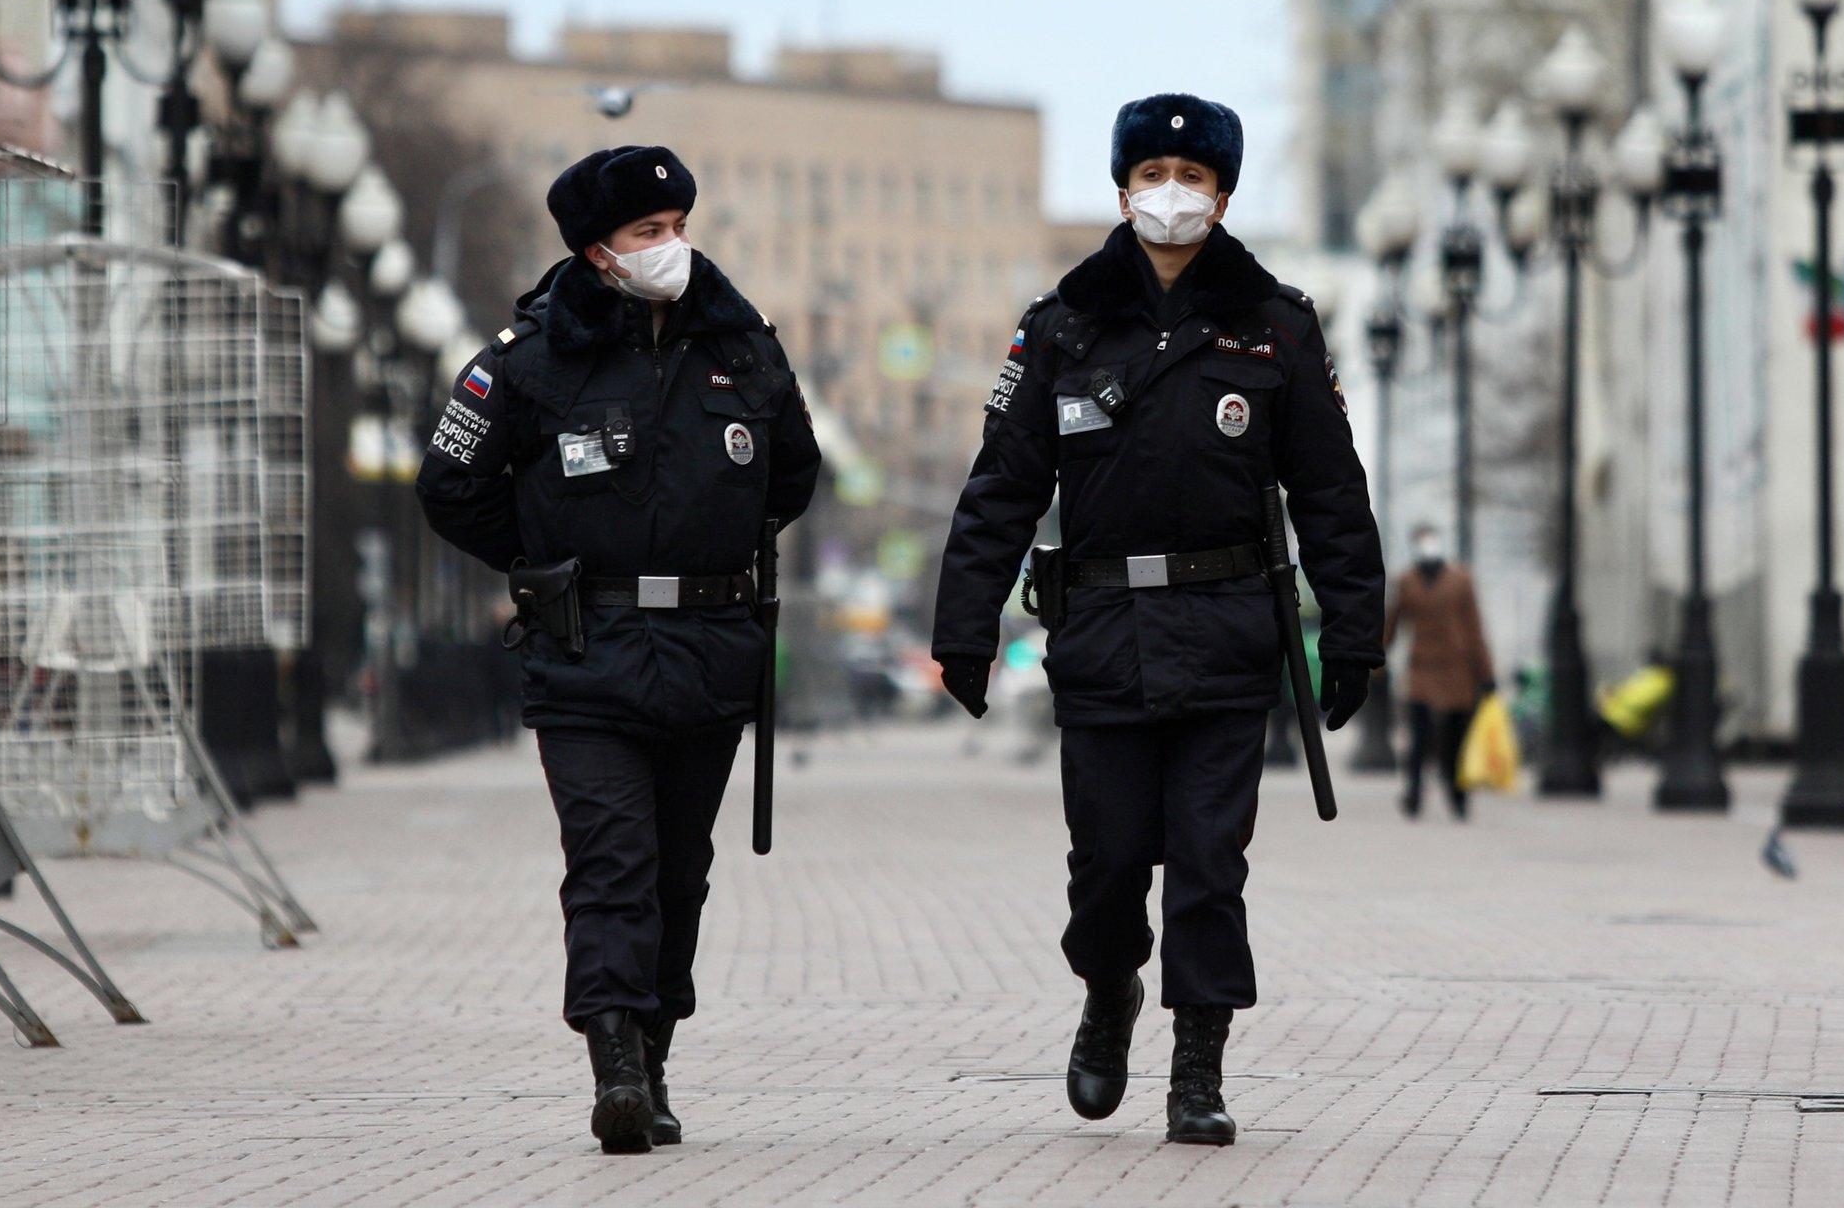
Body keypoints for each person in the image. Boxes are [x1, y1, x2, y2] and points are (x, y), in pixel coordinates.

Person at [932, 93, 1384, 1147]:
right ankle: (1107, 991)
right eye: (1151, 174)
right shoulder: (1062, 327)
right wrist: (963, 629)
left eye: (1193, 176)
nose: (1170, 193)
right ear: (1123, 187)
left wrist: (1355, 633)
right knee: (1108, 866)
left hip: (1228, 635)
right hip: (1098, 639)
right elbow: (1001, 486)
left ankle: (1198, 1065)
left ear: (1223, 195)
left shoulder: (1276, 328)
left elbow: (1330, 491)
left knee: (1209, 867)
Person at [420, 144, 820, 1156]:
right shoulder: (528, 355)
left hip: (708, 648)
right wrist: (539, 561)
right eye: (649, 234)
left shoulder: (743, 344)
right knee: (611, 865)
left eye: (680, 226)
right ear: (598, 251)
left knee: (679, 871)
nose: (672, 247)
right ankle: (614, 1065)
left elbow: (793, 475)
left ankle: (656, 1047)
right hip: (585, 653)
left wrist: (715, 548)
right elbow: (450, 485)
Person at [1383, 522, 1493, 820]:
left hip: (1457, 668)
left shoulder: (1460, 579)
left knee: (1454, 739)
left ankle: (1457, 793)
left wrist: (1486, 674)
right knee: (1418, 736)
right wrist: (1374, 660)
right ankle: (1414, 792)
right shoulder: (1406, 581)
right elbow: (1392, 624)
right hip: (1422, 667)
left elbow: (1474, 627)